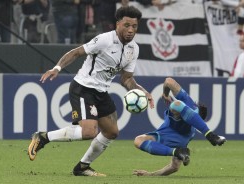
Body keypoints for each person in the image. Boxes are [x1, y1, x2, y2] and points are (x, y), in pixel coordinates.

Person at [27, 6, 154, 177]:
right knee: (89, 132)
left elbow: (126, 79)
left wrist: (142, 91)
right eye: (127, 25)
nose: (131, 30)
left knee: (112, 132)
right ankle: (43, 137)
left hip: (101, 92)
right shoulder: (104, 40)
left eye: (134, 26)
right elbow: (76, 52)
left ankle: (82, 167)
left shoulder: (134, 49)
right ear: (118, 24)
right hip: (83, 87)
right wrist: (56, 68)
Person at [133, 77, 226, 176]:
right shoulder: (191, 131)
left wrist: (165, 93)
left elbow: (168, 81)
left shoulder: (190, 103)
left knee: (177, 105)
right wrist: (150, 174)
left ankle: (210, 135)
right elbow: (174, 167)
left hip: (172, 132)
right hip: (177, 140)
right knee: (138, 141)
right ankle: (178, 151)